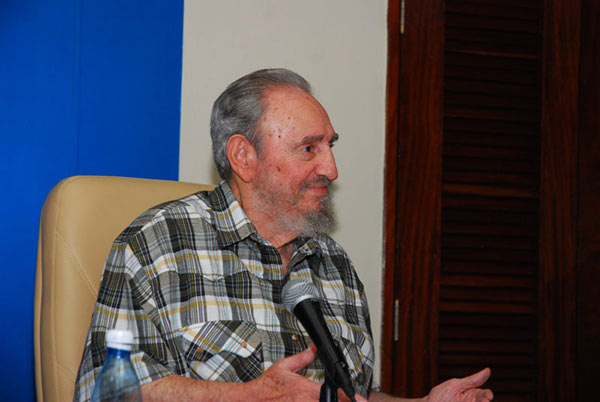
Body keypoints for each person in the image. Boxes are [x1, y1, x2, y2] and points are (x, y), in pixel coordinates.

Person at [74, 68, 493, 402]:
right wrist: (246, 397)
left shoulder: (335, 263)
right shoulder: (157, 244)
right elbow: (105, 391)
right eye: (309, 148)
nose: (331, 169)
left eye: (330, 146)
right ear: (244, 156)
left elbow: (355, 395)